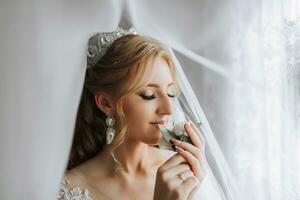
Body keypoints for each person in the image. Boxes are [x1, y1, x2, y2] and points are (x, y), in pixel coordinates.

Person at [57, 27, 209, 200]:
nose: (169, 110)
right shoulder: (68, 190)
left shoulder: (185, 174)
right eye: (149, 96)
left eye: (170, 93)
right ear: (106, 103)